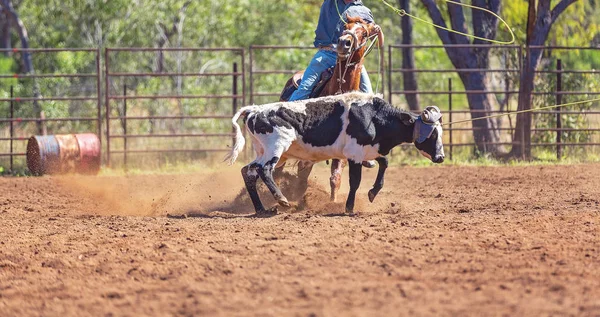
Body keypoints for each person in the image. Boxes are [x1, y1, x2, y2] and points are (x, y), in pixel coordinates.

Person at [288, 0, 375, 101]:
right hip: (326, 54)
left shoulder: (364, 11)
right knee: (304, 89)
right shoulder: (330, 3)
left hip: (351, 60)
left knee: (369, 96)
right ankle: (286, 113)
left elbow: (373, 36)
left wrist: (375, 32)